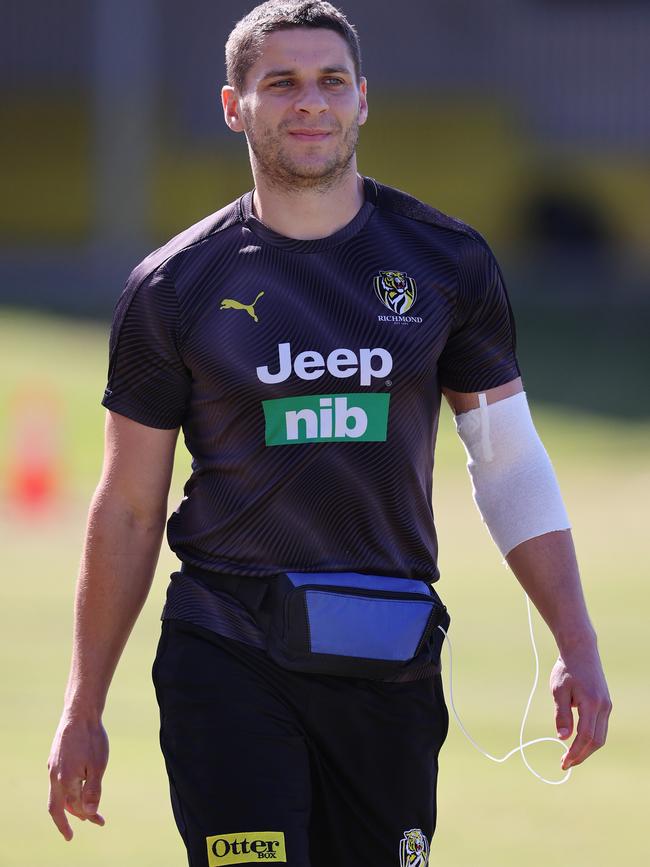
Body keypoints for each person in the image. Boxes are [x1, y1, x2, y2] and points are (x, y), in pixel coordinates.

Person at [47, 2, 612, 865]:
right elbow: (127, 506)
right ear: (235, 105)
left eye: (329, 82)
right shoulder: (173, 287)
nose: (309, 102)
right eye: (282, 84)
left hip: (386, 657)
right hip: (226, 644)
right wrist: (83, 705)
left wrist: (576, 641)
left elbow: (506, 462)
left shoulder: (444, 260)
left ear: (362, 101)